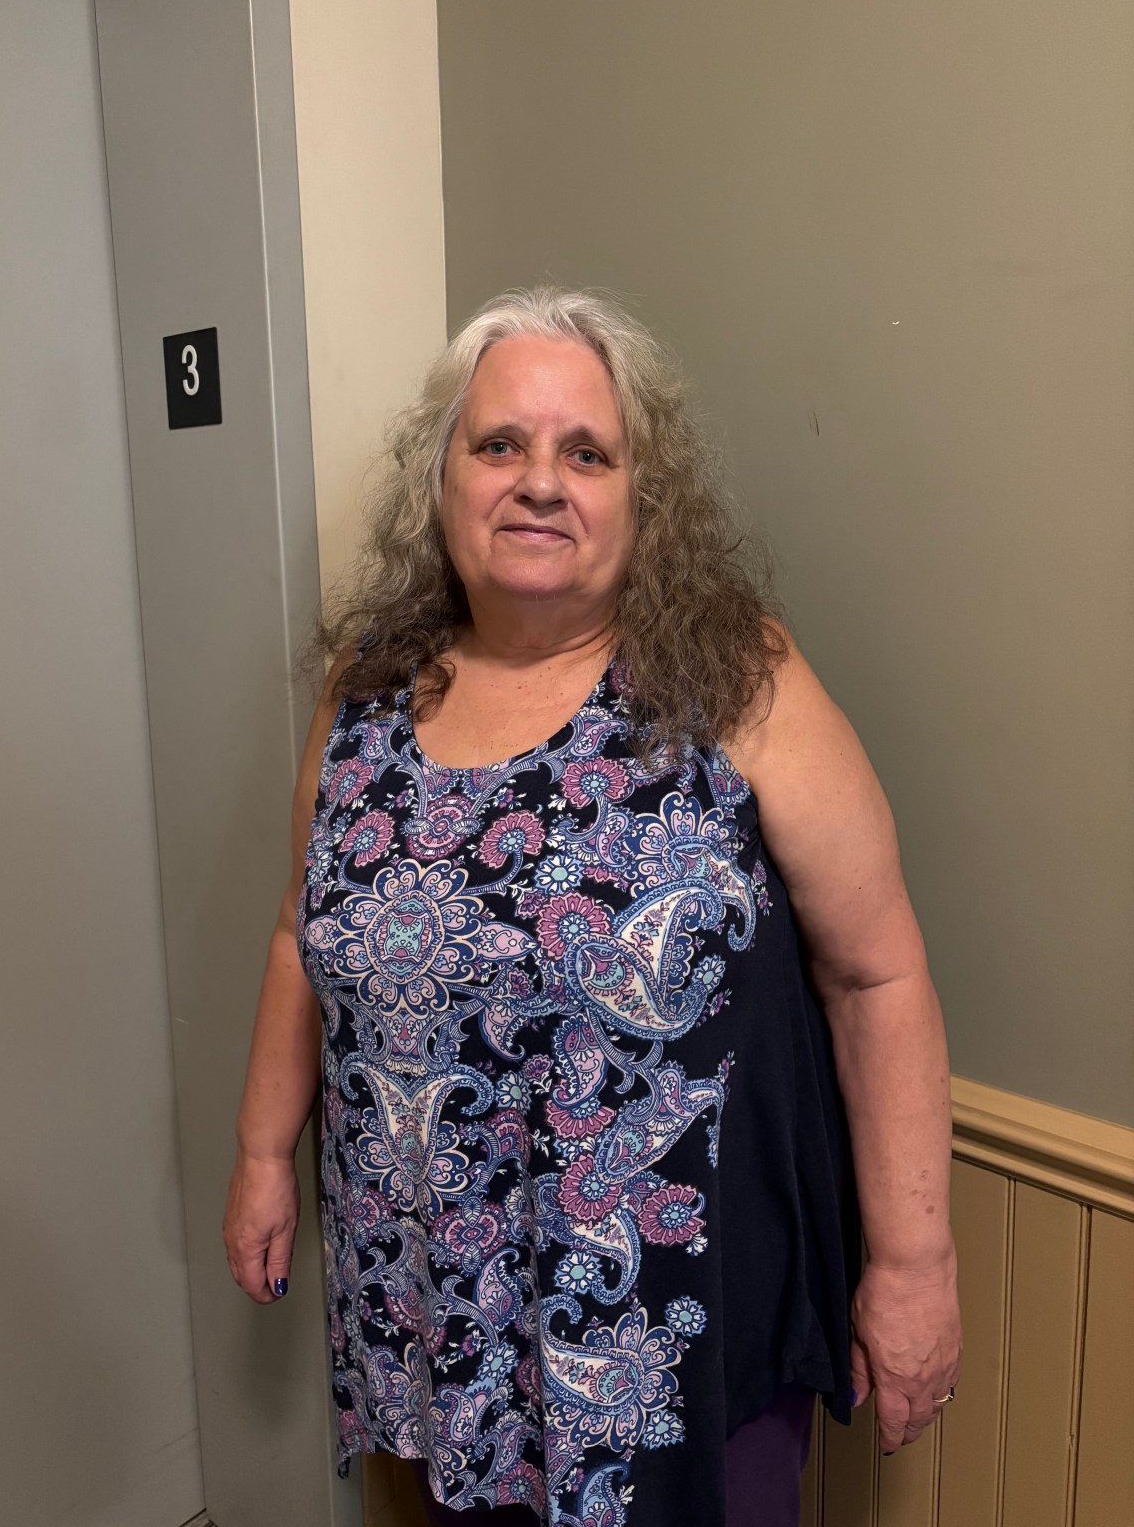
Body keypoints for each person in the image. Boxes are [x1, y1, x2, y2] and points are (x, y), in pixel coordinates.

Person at [224, 285, 962, 1526]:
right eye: (500, 443)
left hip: (673, 1325)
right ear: (443, 478)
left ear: (640, 497)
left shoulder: (738, 679)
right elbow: (305, 930)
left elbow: (874, 976)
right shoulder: (364, 695)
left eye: (587, 452)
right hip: (434, 1310)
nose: (539, 482)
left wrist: (915, 1264)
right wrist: (259, 1154)